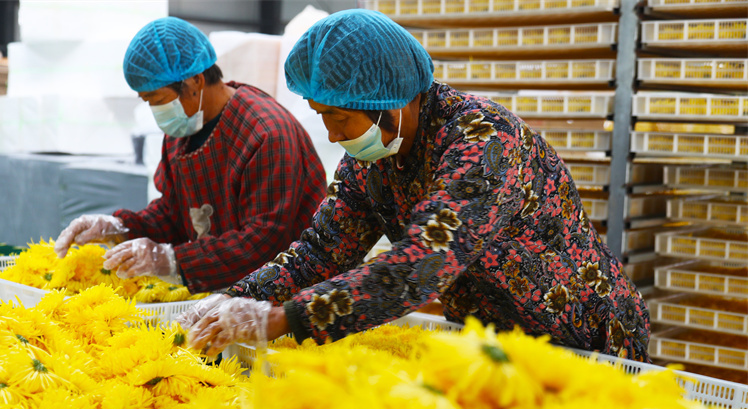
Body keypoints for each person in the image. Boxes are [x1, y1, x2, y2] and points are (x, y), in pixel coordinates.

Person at [179, 9, 650, 360]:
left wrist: (285, 319)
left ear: (393, 101)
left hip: (585, 342)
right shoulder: (371, 163)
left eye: (340, 116)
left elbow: (422, 263)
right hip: (492, 344)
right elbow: (321, 252)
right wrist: (238, 299)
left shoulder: (484, 141)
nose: (333, 135)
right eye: (323, 117)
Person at [54, 17, 327, 293]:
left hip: (293, 296)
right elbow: (173, 214)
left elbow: (262, 241)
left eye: (158, 101)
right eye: (147, 102)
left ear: (195, 81)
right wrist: (120, 227)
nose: (156, 113)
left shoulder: (266, 133)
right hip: (226, 294)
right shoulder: (181, 131)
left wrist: (171, 261)